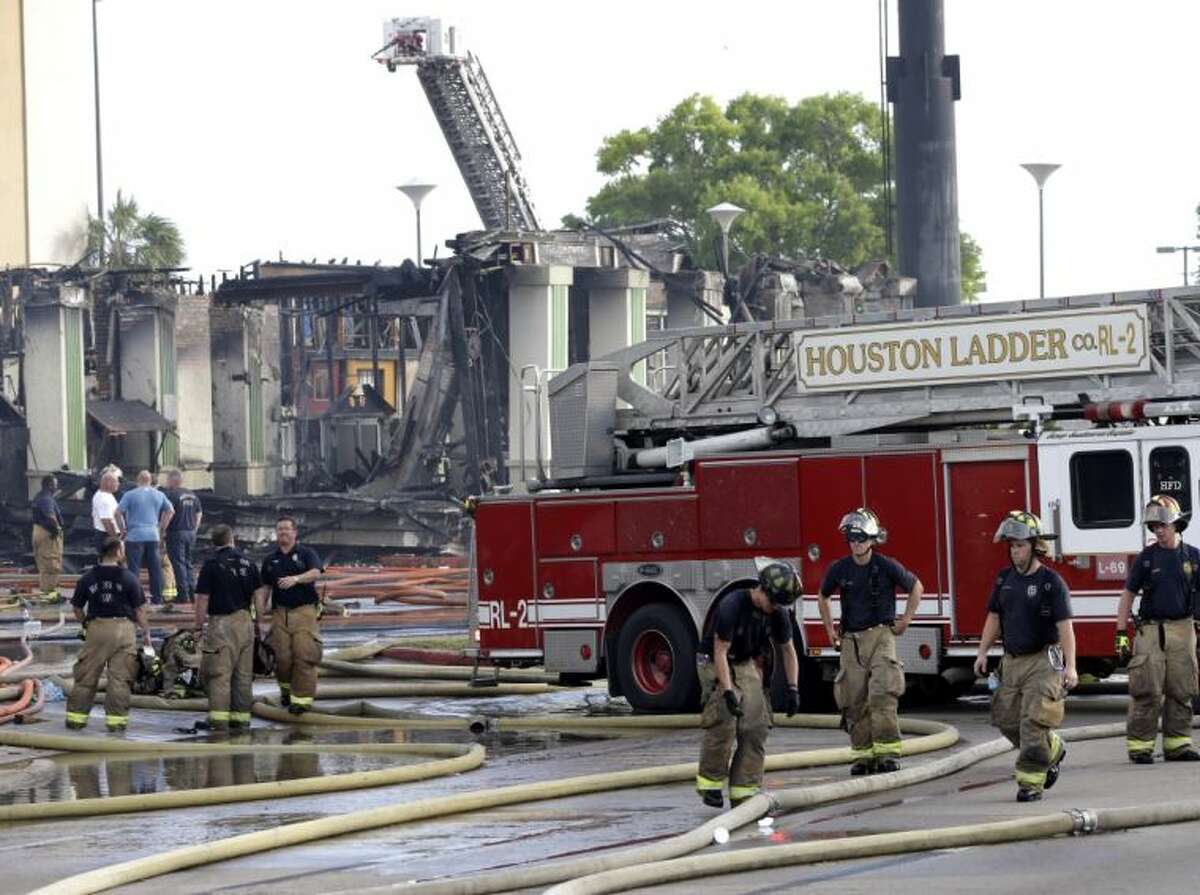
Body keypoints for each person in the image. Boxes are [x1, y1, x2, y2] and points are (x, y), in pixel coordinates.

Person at [974, 511, 1076, 802]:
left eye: (1019, 545)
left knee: (1033, 722)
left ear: (1034, 546)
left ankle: (1031, 782)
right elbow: (994, 617)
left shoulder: (1051, 583)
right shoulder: (1004, 579)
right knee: (1006, 720)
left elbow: (1065, 627)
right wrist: (982, 652)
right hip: (1011, 661)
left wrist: (1071, 666)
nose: (1014, 551)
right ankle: (1052, 748)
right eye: (1011, 545)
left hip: (1043, 660)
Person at [819, 508, 923, 775]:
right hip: (851, 639)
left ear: (872, 540)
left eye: (861, 539)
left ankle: (888, 753)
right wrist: (830, 629)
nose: (856, 544)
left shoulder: (886, 566)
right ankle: (863, 755)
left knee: (882, 692)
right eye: (852, 539)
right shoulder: (839, 569)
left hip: (881, 636)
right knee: (853, 698)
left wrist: (905, 620)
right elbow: (823, 596)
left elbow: (916, 587)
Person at [695, 557, 801, 809]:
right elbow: (720, 652)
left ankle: (744, 790)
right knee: (725, 717)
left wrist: (793, 688)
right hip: (713, 660)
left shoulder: (778, 612)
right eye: (773, 601)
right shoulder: (732, 605)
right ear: (762, 589)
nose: (775, 608)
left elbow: (788, 650)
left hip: (744, 661)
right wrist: (729, 692)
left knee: (756, 723)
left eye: (780, 604)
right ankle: (710, 784)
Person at [1115, 494, 1200, 764]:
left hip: (1184, 628)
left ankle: (1178, 744)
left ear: (1176, 525)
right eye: (1154, 527)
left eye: (1162, 526)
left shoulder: (1193, 557)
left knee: (1181, 688)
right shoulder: (1146, 559)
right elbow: (1127, 595)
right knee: (1147, 690)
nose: (1158, 531)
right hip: (1150, 631)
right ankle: (1140, 746)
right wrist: (1120, 633)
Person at [65, 536, 153, 731]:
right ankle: (116, 723)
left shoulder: (87, 578)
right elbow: (139, 610)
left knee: (86, 676)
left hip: (97, 628)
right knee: (120, 679)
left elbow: (77, 608)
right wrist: (146, 633)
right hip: (124, 629)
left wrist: (86, 624)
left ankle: (76, 720)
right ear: (118, 553)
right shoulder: (129, 577)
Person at [255, 517, 325, 715]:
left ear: (295, 532)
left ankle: (301, 702)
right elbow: (264, 589)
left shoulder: (306, 554)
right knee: (281, 657)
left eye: (286, 529)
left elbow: (316, 572)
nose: (283, 533)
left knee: (304, 656)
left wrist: (296, 579)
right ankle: (286, 692)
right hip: (280, 613)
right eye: (279, 530)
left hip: (304, 612)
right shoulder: (270, 560)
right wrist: (258, 618)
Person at [195, 524, 260, 731]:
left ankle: (219, 721)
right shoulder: (248, 563)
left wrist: (198, 627)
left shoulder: (211, 564)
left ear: (214, 542)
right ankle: (241, 720)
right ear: (233, 539)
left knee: (219, 674)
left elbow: (202, 599)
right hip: (245, 622)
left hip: (221, 623)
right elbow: (258, 596)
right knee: (243, 675)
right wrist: (259, 624)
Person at [115, 470, 174, 605]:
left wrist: (123, 529)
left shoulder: (129, 495)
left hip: (134, 536)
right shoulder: (159, 494)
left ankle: (135, 598)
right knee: (155, 568)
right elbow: (170, 511)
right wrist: (161, 528)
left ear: (137, 480)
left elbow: (118, 513)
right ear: (150, 481)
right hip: (153, 536)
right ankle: (157, 598)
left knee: (133, 569)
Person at [163, 469, 203, 605]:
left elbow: (169, 513)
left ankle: (183, 595)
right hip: (190, 532)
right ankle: (192, 593)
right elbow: (199, 513)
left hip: (176, 533)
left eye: (167, 479)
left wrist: (162, 530)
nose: (166, 482)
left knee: (178, 564)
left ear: (172, 480)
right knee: (188, 563)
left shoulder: (171, 495)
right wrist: (194, 529)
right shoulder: (192, 495)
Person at [31, 474, 64, 601]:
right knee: (52, 566)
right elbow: (50, 516)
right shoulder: (46, 499)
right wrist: (58, 530)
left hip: (39, 530)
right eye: (55, 484)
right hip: (48, 534)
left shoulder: (39, 497)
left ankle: (46, 595)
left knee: (44, 567)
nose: (57, 487)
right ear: (50, 485)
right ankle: (50, 597)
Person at [91, 471, 120, 553]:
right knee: (109, 563)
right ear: (108, 483)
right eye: (116, 481)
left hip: (107, 535)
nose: (118, 484)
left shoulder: (107, 495)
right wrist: (115, 540)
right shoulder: (103, 498)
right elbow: (107, 521)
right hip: (107, 536)